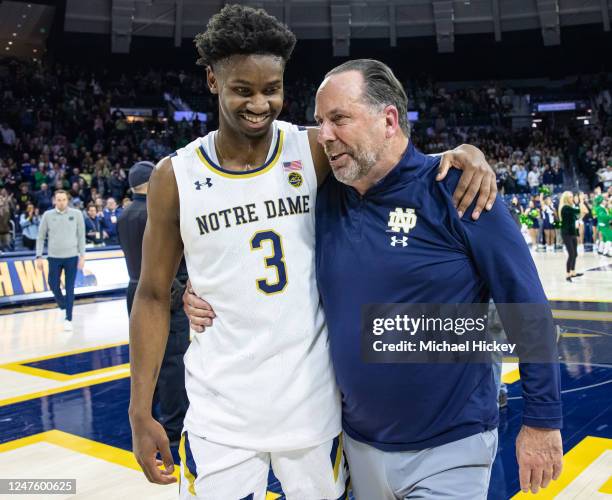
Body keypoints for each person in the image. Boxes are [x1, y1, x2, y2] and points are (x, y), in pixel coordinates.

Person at [132, 5, 497, 499]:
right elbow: (152, 295)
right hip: (221, 412)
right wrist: (140, 410)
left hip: (312, 412)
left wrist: (460, 153)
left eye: (271, 89)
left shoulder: (311, 151)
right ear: (213, 82)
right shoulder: (174, 178)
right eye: (243, 89)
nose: (259, 103)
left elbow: (387, 160)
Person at [186, 59, 564, 498]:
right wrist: (194, 292)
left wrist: (542, 420)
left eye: (339, 119)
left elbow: (528, 309)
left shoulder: (458, 190)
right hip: (355, 446)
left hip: (451, 447)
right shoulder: (323, 199)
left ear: (388, 120)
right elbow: (250, 245)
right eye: (320, 122)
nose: (324, 135)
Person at [117, 161, 189, 449]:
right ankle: (174, 425)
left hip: (134, 288)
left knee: (146, 358)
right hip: (164, 289)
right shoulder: (155, 211)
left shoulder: (123, 215)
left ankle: (150, 413)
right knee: (172, 361)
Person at [35, 190, 86, 331]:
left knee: (70, 288)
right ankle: (63, 306)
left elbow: (81, 236)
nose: (61, 202)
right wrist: (38, 256)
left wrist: (82, 256)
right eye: (59, 199)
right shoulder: (47, 215)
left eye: (64, 199)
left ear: (67, 200)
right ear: (54, 201)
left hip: (71, 257)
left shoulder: (77, 214)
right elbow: (40, 237)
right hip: (54, 257)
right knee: (53, 284)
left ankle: (68, 318)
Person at [559, 191, 583, 282]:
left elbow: (577, 216)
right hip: (566, 233)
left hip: (572, 232)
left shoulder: (570, 207)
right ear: (565, 198)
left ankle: (573, 272)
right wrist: (581, 201)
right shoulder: (565, 208)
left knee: (575, 254)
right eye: (570, 197)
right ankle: (567, 274)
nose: (571, 198)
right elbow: (578, 211)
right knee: (571, 254)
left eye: (572, 196)